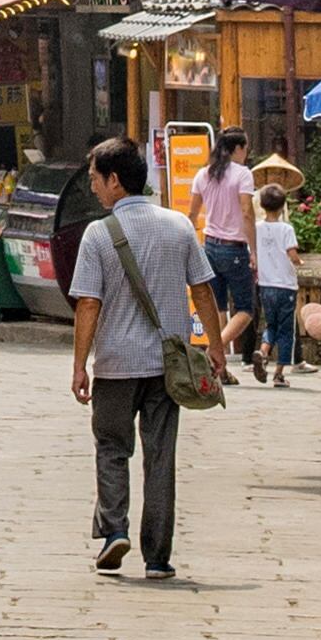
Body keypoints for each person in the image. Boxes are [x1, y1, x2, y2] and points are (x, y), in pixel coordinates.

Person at [69, 134, 215, 576]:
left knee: (112, 447)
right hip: (167, 367)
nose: (92, 187)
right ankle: (158, 556)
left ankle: (115, 531)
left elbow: (89, 304)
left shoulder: (98, 234)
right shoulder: (178, 226)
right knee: (160, 456)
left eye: (95, 179)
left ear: (115, 181)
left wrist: (80, 364)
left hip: (116, 365)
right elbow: (202, 289)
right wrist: (218, 347)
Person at [195, 130, 261, 358]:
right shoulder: (243, 174)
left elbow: (191, 215)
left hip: (209, 245)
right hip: (234, 247)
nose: (247, 153)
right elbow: (247, 212)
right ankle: (214, 349)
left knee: (218, 307)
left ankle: (219, 367)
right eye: (246, 148)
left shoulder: (204, 174)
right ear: (238, 149)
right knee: (245, 308)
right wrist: (254, 250)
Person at [250, 175, 303, 383]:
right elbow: (292, 254)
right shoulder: (286, 229)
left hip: (265, 285)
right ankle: (279, 373)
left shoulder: (256, 228)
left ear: (262, 205)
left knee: (270, 325)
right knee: (286, 330)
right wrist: (299, 262)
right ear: (283, 206)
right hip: (286, 286)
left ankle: (262, 352)